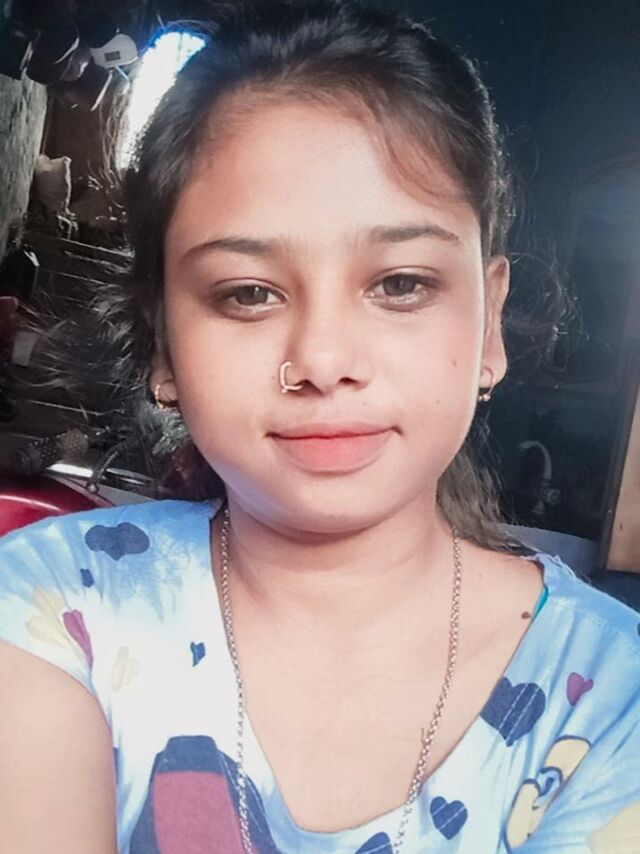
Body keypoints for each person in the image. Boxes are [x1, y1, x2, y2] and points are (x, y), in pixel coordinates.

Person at [1, 1, 639, 852]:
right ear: (163, 342)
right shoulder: (55, 605)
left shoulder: (613, 700)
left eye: (401, 284)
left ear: (489, 324)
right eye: (248, 293)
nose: (324, 359)